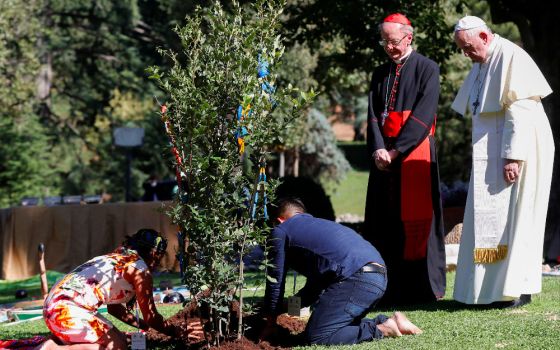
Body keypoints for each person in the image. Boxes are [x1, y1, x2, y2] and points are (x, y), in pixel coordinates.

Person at [451, 16, 554, 307]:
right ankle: (488, 290)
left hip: (520, 150)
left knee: (518, 217)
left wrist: (513, 156)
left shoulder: (512, 57)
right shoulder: (483, 62)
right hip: (492, 151)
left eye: (468, 47)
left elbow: (519, 111)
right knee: (492, 218)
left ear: (484, 36)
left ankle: (515, 289)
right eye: (462, 49)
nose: (466, 55)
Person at [363, 13, 446, 305]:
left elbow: (424, 117)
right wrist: (377, 150)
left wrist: (396, 151)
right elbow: (373, 116)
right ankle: (385, 289)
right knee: (383, 223)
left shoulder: (427, 69)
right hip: (383, 159)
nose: (388, 47)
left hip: (413, 155)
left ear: (408, 37)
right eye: (384, 41)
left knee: (416, 221)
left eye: (393, 41)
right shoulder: (379, 73)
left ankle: (421, 290)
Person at [260, 198, 422, 346]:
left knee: (317, 337)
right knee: (337, 325)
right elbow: (314, 289)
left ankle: (381, 328)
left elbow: (276, 280)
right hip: (378, 276)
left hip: (356, 278)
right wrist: (287, 308)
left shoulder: (280, 231)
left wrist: (270, 322)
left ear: (279, 221)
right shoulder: (319, 228)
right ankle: (390, 320)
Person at [38, 228, 203, 349]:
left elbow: (114, 308)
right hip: (65, 310)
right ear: (154, 254)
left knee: (121, 342)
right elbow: (152, 316)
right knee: (115, 348)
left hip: (55, 305)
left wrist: (143, 326)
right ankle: (53, 348)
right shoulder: (140, 271)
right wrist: (176, 330)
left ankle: (55, 341)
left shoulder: (119, 257)